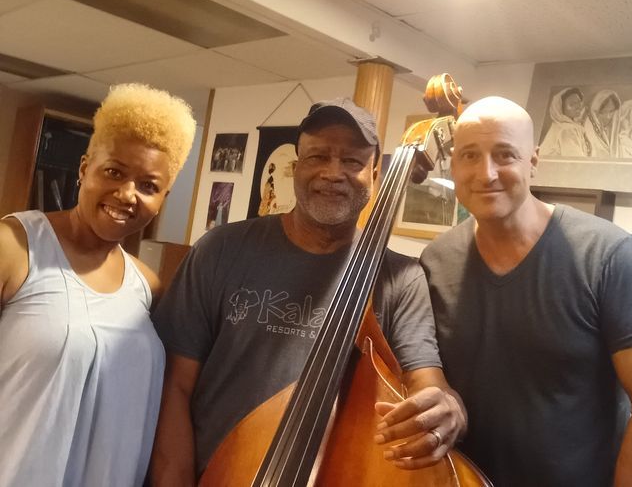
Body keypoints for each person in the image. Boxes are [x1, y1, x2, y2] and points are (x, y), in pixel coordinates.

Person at [150, 98, 466, 485]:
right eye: (318, 156)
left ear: (375, 174)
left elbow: (426, 381)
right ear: (297, 166)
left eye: (352, 161)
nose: (333, 173)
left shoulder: (401, 278)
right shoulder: (220, 250)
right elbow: (174, 386)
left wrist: (446, 407)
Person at [420, 96, 632, 486]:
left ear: (533, 161)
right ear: (454, 164)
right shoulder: (436, 260)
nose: (486, 173)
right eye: (469, 155)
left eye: (505, 155)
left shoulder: (607, 255)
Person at [0, 83, 197, 486]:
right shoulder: (15, 247)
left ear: (163, 197)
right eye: (114, 172)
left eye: (148, 186)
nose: (126, 194)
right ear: (84, 167)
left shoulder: (147, 286)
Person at [538, 87, 590, 157]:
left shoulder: (558, 126)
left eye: (579, 102)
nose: (578, 106)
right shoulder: (567, 129)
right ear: (561, 107)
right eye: (572, 104)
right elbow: (576, 158)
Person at [583, 89, 622, 158]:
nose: (608, 116)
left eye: (611, 111)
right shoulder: (588, 128)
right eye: (603, 112)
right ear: (596, 111)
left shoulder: (615, 128)